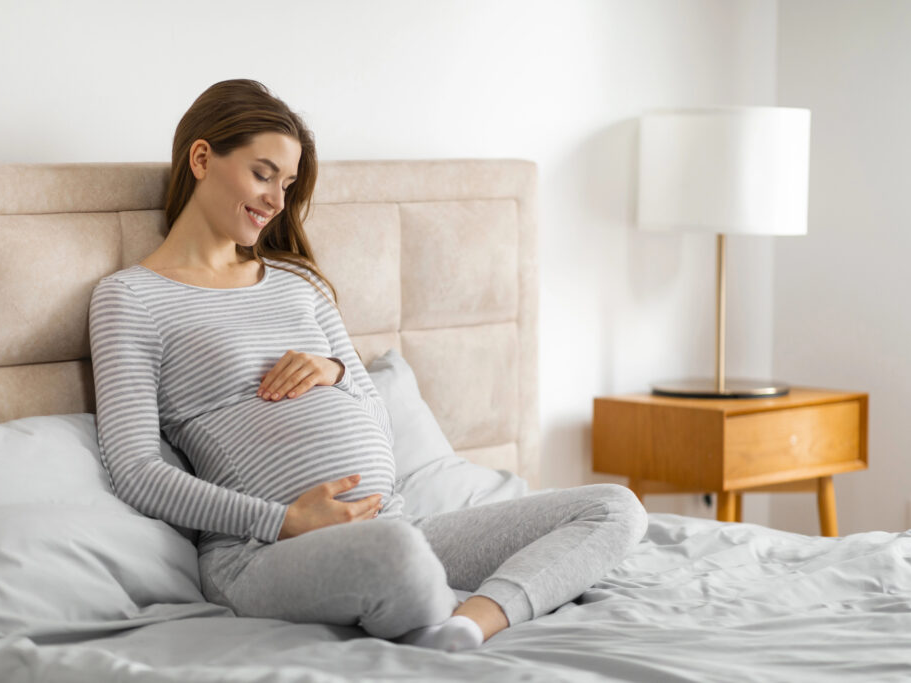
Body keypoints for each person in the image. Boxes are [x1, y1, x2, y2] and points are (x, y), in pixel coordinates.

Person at [88, 79, 648, 653]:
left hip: (396, 524)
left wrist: (334, 371)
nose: (278, 202)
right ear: (202, 158)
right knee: (396, 556)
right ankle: (426, 600)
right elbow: (135, 470)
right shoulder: (131, 298)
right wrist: (285, 522)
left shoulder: (299, 285)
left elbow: (374, 413)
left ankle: (469, 624)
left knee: (614, 507)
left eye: (287, 184)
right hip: (263, 553)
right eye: (263, 173)